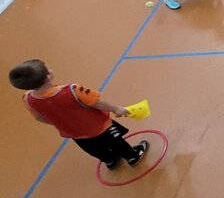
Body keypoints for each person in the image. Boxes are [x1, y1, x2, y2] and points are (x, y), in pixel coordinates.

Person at [9, 60, 148, 170]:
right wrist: (116, 109)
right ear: (48, 76)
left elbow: (39, 117)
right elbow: (97, 103)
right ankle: (133, 156)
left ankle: (110, 160)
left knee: (93, 148)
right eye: (48, 69)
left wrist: (62, 122)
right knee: (116, 141)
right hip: (99, 125)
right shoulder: (73, 90)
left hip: (74, 132)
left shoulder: (27, 99)